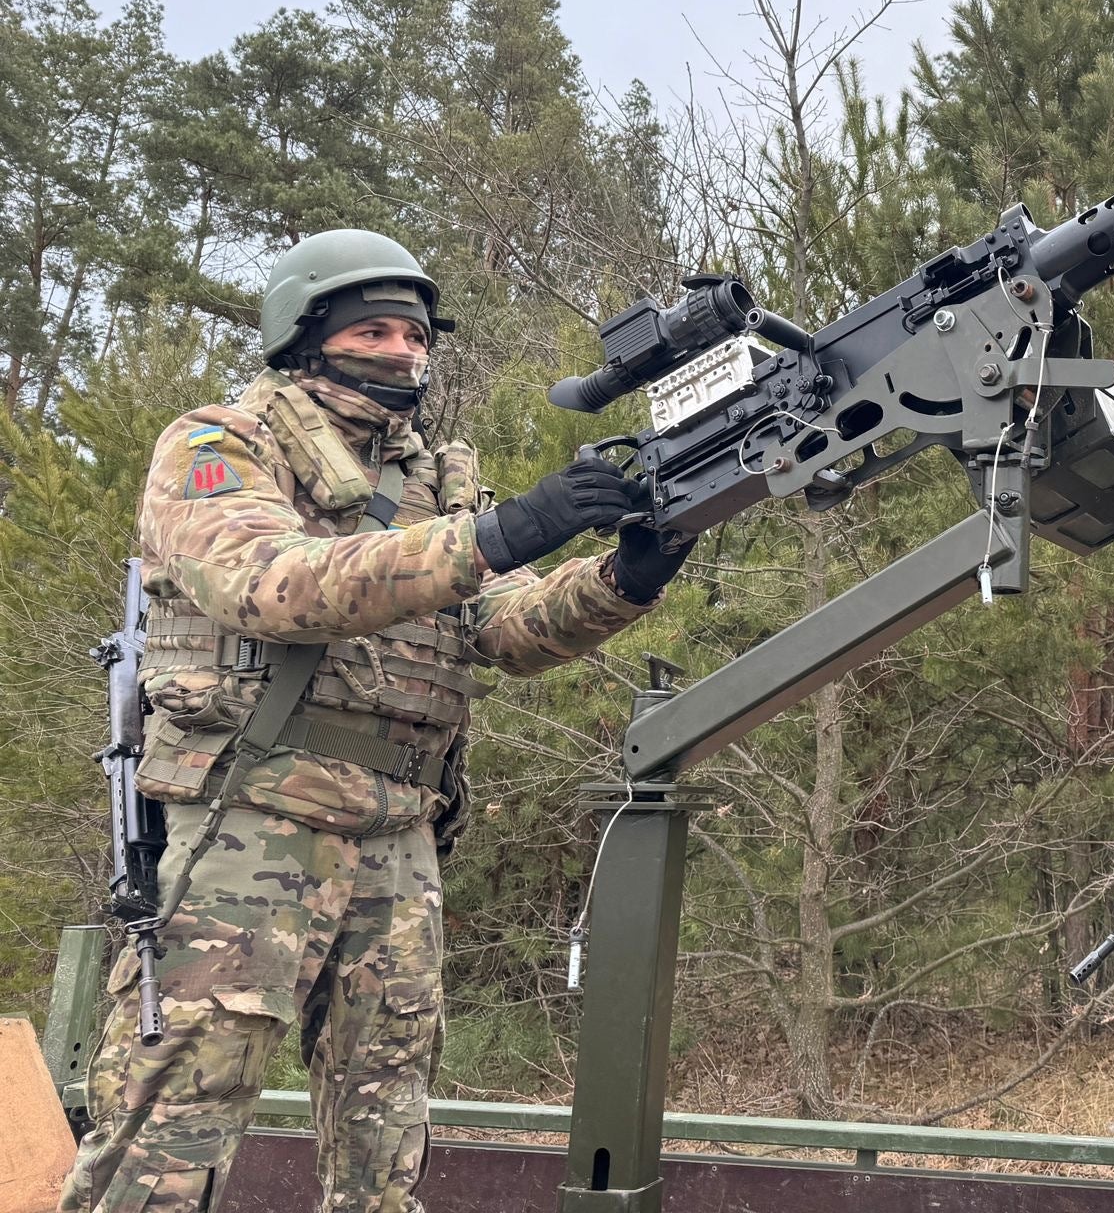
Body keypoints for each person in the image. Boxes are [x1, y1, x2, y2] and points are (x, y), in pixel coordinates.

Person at [63, 230, 692, 1213]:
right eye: (373, 329)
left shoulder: (435, 479)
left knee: (385, 1135)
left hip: (399, 840)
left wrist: (624, 577)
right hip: (248, 821)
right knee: (169, 1128)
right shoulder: (218, 444)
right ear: (303, 336)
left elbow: (510, 630)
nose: (403, 352)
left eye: (413, 334)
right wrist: (502, 529)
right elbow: (268, 585)